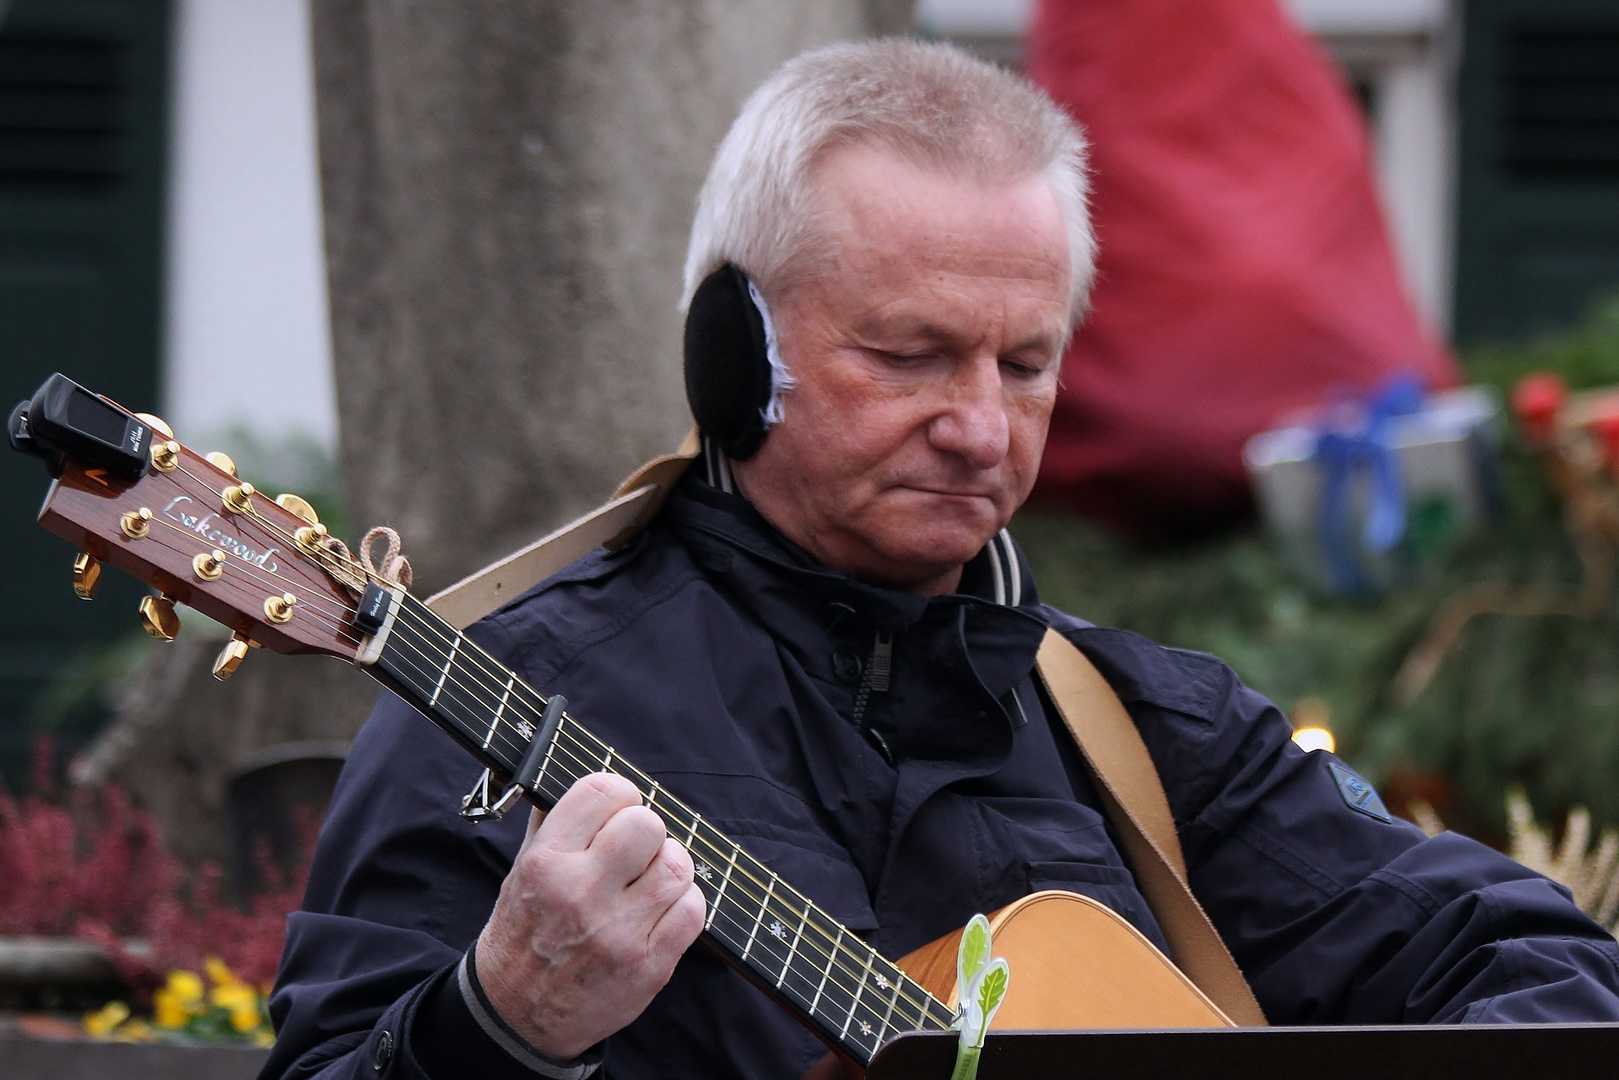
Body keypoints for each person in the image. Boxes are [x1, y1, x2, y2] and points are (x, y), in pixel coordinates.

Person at [260, 38, 1619, 1080]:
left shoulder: (1142, 731)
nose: (980, 426)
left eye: (1024, 364)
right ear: (736, 352)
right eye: (909, 357)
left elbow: (1547, 971)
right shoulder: (503, 703)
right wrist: (496, 1027)